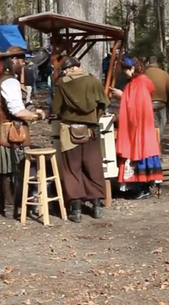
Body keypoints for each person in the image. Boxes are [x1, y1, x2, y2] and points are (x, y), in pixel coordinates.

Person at [0, 46, 45, 219]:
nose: (23, 63)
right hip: (11, 133)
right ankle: (17, 206)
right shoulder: (9, 81)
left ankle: (6, 207)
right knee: (17, 170)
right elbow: (17, 111)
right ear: (13, 60)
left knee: (5, 172)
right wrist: (37, 116)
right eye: (21, 60)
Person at [52, 56, 109, 223]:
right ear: (78, 66)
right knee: (93, 167)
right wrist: (94, 118)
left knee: (72, 169)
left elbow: (56, 108)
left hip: (69, 131)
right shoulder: (93, 81)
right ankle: (97, 205)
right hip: (90, 130)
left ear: (69, 69)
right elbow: (103, 103)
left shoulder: (62, 84)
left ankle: (76, 209)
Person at [111, 57, 163, 199]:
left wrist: (123, 96)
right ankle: (140, 187)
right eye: (124, 69)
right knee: (139, 153)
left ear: (134, 68)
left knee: (141, 153)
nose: (125, 72)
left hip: (139, 127)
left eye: (127, 69)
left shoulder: (140, 83)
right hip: (137, 127)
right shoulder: (135, 83)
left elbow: (136, 106)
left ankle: (144, 187)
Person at [144, 55, 169, 137]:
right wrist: (167, 100)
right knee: (162, 120)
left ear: (148, 62)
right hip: (162, 102)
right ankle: (159, 136)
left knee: (150, 121)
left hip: (148, 101)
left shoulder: (144, 74)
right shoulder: (165, 74)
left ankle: (151, 137)